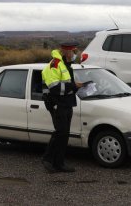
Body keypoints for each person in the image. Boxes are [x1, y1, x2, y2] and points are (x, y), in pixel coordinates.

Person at [41, 42, 83, 173]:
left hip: (66, 103)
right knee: (61, 132)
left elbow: (66, 85)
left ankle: (59, 163)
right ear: (66, 52)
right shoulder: (55, 64)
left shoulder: (66, 65)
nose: (75, 55)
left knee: (64, 134)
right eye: (74, 52)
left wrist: (79, 87)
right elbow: (55, 88)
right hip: (57, 104)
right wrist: (74, 86)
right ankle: (48, 160)